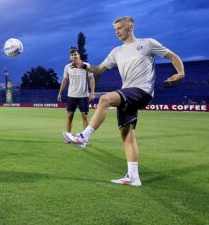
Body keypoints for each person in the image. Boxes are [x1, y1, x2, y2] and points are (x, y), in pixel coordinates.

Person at [63, 16, 185, 187]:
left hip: (142, 91)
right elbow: (98, 69)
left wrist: (181, 73)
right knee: (126, 134)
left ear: (130, 27)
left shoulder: (147, 43)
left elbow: (173, 56)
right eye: (115, 29)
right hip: (128, 93)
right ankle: (133, 177)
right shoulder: (116, 52)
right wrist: (82, 65)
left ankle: (83, 136)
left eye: (120, 28)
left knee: (105, 99)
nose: (117, 32)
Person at [57, 47, 95, 144]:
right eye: (72, 55)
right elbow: (64, 81)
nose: (73, 56)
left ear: (79, 55)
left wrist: (92, 92)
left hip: (83, 96)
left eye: (75, 54)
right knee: (70, 116)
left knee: (85, 117)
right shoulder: (67, 67)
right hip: (71, 95)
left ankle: (85, 139)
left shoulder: (86, 65)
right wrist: (60, 93)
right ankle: (68, 137)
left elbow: (91, 79)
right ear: (70, 57)